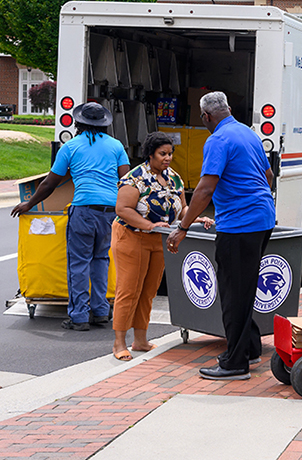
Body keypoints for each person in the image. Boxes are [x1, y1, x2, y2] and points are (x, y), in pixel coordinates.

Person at [168, 91, 275, 381]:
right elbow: (268, 176)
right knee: (243, 288)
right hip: (262, 219)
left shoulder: (217, 140)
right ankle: (250, 348)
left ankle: (235, 363)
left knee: (232, 294)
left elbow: (204, 190)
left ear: (206, 116)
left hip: (239, 225)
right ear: (228, 109)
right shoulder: (249, 134)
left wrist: (183, 227)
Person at [12, 102, 129, 331]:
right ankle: (101, 312)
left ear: (78, 123)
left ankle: (79, 317)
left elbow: (50, 183)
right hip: (110, 213)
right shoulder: (116, 146)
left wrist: (29, 203)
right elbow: (126, 180)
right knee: (101, 260)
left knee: (78, 263)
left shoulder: (71, 147)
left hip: (83, 211)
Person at [110, 131, 213, 360]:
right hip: (132, 236)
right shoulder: (135, 178)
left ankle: (140, 340)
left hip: (159, 237)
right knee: (129, 290)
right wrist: (147, 225)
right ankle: (119, 344)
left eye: (170, 153)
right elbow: (123, 209)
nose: (167, 158)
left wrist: (197, 218)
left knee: (149, 290)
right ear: (150, 154)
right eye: (162, 154)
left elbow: (182, 208)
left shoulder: (174, 177)